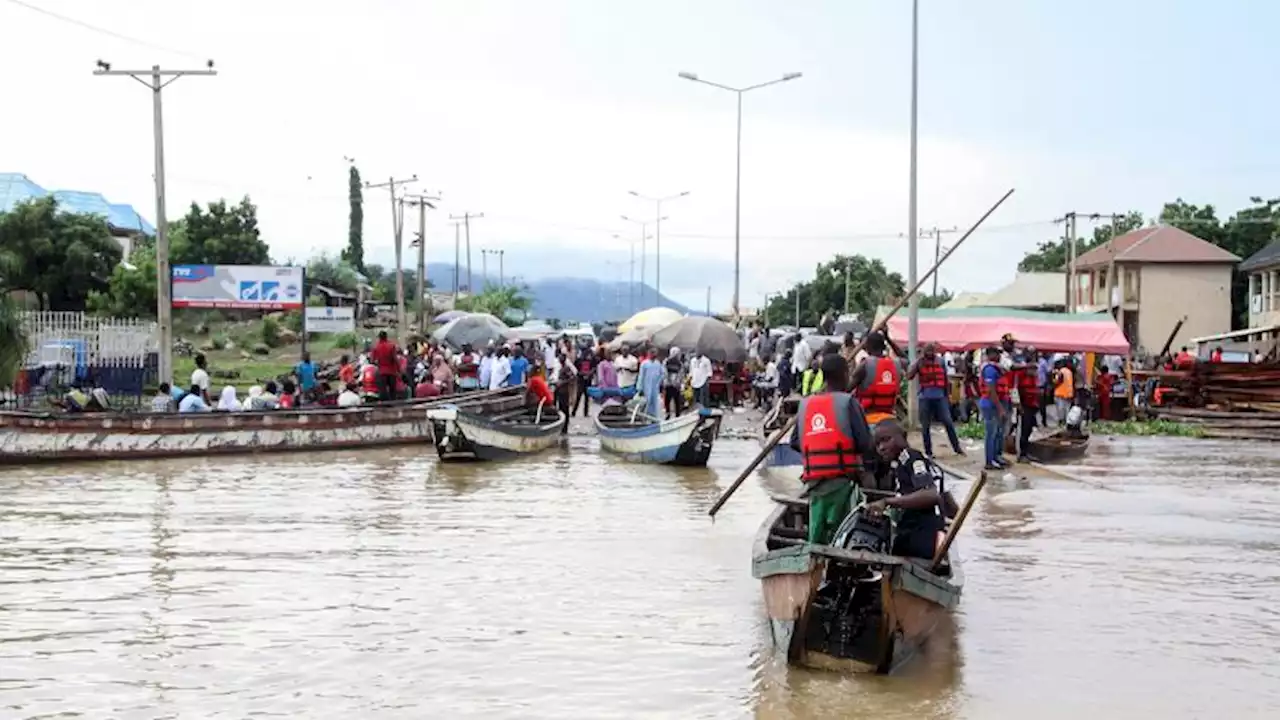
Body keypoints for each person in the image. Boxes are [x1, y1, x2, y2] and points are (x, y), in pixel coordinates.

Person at [789, 354, 875, 545]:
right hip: (843, 481)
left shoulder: (806, 404)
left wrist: (817, 446)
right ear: (845, 374)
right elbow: (865, 444)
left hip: (814, 483)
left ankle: (814, 562)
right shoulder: (849, 402)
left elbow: (794, 442)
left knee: (816, 532)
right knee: (842, 533)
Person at [866, 420, 948, 560]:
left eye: (886, 440)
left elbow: (930, 494)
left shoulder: (910, 457)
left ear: (903, 436)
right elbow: (946, 501)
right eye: (878, 445)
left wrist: (887, 502)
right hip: (922, 534)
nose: (882, 447)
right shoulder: (903, 464)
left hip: (919, 536)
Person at [907, 343, 963, 457]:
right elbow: (909, 376)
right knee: (925, 426)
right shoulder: (920, 362)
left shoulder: (941, 361)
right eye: (927, 352)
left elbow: (945, 379)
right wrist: (917, 362)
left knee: (948, 422)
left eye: (931, 351)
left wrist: (948, 395)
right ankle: (928, 452)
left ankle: (957, 448)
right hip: (925, 397)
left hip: (940, 396)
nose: (930, 354)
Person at [849, 331, 903, 425]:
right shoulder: (896, 364)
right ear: (883, 346)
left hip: (867, 418)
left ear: (867, 346)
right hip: (889, 417)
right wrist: (888, 339)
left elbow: (846, 389)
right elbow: (906, 358)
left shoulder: (865, 365)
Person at [980, 346, 1009, 470]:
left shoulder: (998, 368)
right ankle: (989, 461)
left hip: (999, 402)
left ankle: (997, 456)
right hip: (991, 404)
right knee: (991, 433)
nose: (999, 356)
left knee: (999, 432)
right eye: (996, 353)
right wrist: (1000, 408)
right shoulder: (989, 369)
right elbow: (991, 390)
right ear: (990, 354)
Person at [1015, 347, 1042, 462]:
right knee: (1024, 429)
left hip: (1033, 404)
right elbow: (1016, 388)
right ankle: (1021, 454)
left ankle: (1026, 452)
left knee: (1029, 429)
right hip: (1024, 404)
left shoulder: (1034, 372)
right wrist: (1019, 405)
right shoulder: (1021, 372)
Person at [370, 331, 400, 401]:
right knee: (392, 392)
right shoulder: (391, 345)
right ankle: (393, 406)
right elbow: (395, 359)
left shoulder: (376, 347)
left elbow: (372, 360)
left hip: (381, 372)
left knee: (382, 392)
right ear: (386, 337)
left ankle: (384, 408)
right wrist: (399, 370)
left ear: (379, 337)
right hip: (391, 372)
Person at [637, 349, 665, 419]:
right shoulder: (644, 363)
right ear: (648, 354)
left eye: (654, 353)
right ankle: (643, 418)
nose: (653, 354)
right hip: (646, 387)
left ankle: (653, 418)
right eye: (652, 353)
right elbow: (641, 376)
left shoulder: (658, 363)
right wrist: (640, 388)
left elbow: (663, 373)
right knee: (646, 403)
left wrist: (659, 381)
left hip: (655, 387)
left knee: (654, 403)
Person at [663, 347, 687, 418]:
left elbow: (681, 373)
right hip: (669, 384)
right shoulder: (667, 361)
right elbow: (664, 372)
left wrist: (678, 382)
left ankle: (677, 414)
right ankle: (668, 413)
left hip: (675, 384)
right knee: (668, 399)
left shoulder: (679, 363)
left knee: (677, 400)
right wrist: (668, 381)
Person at [572, 345, 596, 417]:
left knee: (586, 397)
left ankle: (585, 412)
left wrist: (590, 373)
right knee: (578, 396)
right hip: (581, 379)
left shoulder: (592, 359)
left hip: (588, 380)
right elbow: (575, 368)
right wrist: (580, 373)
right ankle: (574, 412)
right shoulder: (579, 360)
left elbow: (594, 368)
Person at [554, 353, 574, 434]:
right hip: (559, 391)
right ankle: (562, 427)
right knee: (560, 409)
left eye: (561, 358)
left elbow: (572, 377)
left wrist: (563, 382)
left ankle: (565, 428)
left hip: (564, 391)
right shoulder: (560, 368)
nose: (559, 359)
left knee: (564, 409)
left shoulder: (567, 368)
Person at [1053, 359, 1074, 425]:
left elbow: (1056, 381)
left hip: (1060, 393)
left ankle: (1061, 422)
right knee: (1067, 409)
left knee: (1061, 409)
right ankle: (1067, 422)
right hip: (1069, 393)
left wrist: (1053, 377)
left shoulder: (1060, 371)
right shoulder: (1070, 372)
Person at [1037, 352, 1053, 426]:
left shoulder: (1043, 362)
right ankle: (1034, 422)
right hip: (1032, 386)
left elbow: (1049, 372)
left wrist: (1049, 385)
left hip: (1041, 386)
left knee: (1042, 404)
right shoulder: (1030, 362)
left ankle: (1044, 421)